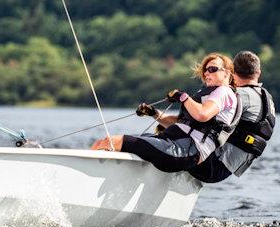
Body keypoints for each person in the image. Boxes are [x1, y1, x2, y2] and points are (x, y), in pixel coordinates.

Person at [91, 53, 241, 173]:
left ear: (227, 73)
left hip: (186, 150)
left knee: (111, 142)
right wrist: (153, 113)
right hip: (175, 143)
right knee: (105, 142)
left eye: (213, 69)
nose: (207, 73)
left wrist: (182, 97)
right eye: (205, 70)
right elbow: (182, 123)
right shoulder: (209, 94)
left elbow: (202, 115)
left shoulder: (224, 91)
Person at [188, 51, 276, 183]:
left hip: (212, 166)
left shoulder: (235, 95)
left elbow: (201, 113)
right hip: (227, 167)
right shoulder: (266, 97)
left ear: (232, 72)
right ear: (258, 72)